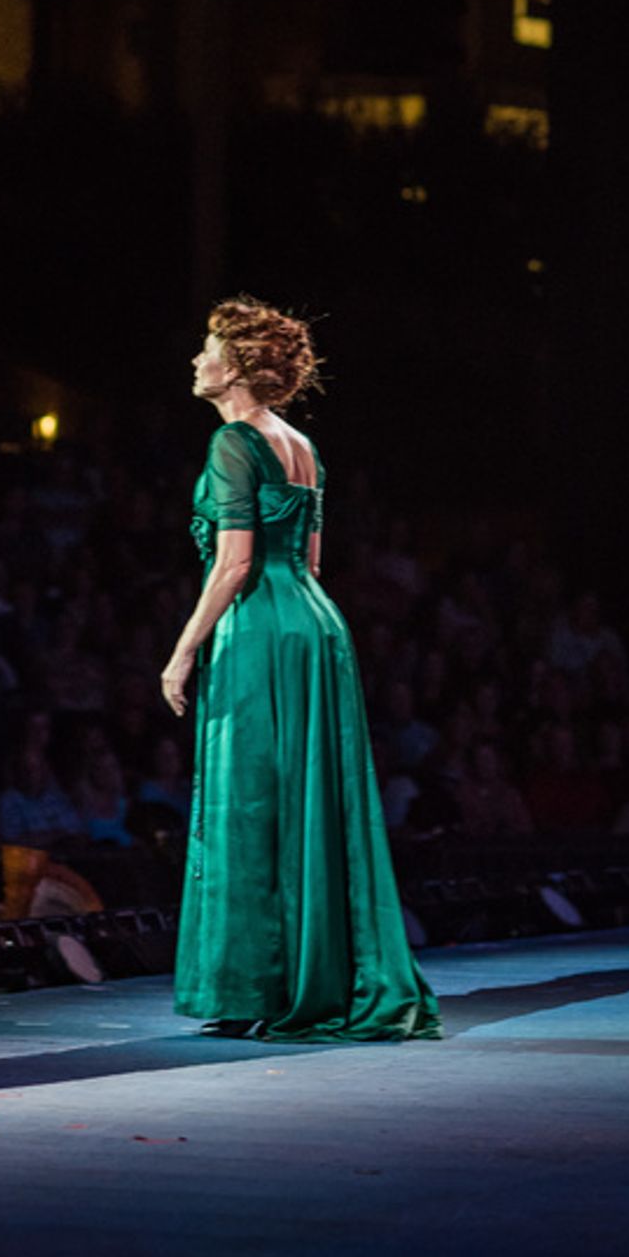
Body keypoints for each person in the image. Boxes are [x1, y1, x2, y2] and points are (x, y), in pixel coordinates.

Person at [161, 296, 441, 1044]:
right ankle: (314, 976)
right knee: (312, 801)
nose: (197, 360)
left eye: (208, 349)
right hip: (316, 626)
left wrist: (184, 648)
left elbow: (235, 562)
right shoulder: (303, 446)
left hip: (258, 628)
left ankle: (257, 985)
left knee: (250, 803)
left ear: (239, 368)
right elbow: (310, 561)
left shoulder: (231, 445)